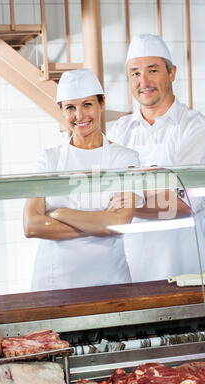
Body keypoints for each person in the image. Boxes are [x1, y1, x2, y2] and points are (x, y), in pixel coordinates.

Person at [107, 34, 205, 282]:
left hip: (186, 266)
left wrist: (131, 202)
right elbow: (105, 193)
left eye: (153, 70)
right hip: (130, 265)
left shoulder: (197, 128)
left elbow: (185, 202)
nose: (143, 81)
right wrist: (153, 195)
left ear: (172, 73)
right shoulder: (118, 132)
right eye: (135, 73)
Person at [23, 69, 144, 291]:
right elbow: (31, 226)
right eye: (70, 107)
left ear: (102, 103)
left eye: (87, 104)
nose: (79, 116)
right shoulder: (49, 159)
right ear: (61, 110)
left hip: (110, 280)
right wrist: (100, 222)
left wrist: (59, 214)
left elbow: (119, 223)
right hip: (54, 282)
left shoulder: (125, 158)